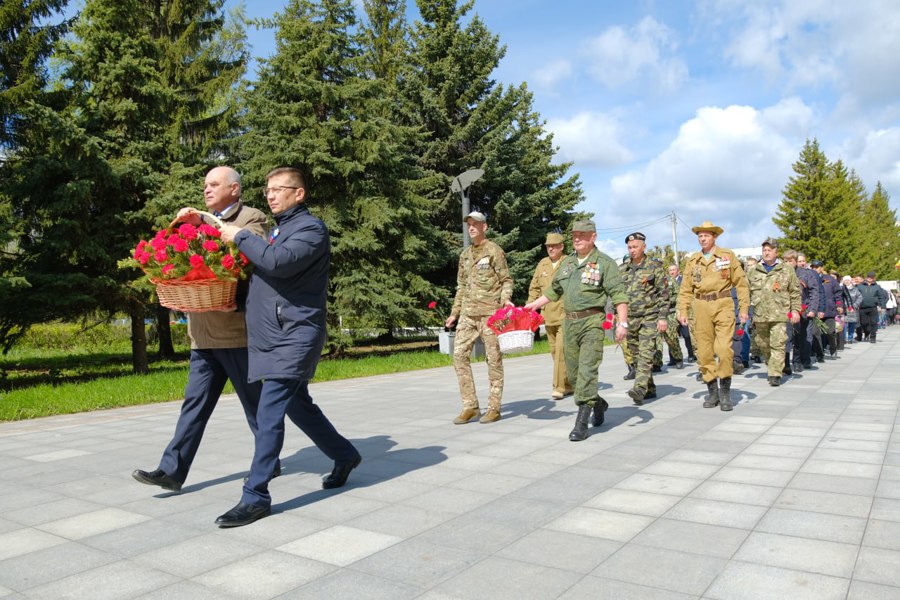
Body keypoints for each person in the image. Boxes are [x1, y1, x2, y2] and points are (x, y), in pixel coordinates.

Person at [216, 167, 361, 528]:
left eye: (280, 189)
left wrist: (240, 238)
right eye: (268, 189)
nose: (271, 195)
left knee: (268, 413)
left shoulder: (311, 229)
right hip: (272, 335)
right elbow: (269, 279)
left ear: (300, 194)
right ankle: (345, 455)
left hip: (296, 334)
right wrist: (235, 302)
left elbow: (277, 263)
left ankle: (256, 495)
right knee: (299, 407)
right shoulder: (281, 230)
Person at [132, 166, 271, 493]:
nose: (206, 190)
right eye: (205, 185)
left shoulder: (252, 218)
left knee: (256, 410)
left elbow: (256, 261)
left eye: (214, 184)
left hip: (236, 335)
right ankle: (170, 471)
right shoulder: (197, 221)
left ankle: (268, 460)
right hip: (203, 335)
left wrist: (205, 223)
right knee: (193, 407)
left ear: (234, 189)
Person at [525, 220, 628, 442]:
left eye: (582, 235)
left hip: (591, 322)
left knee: (587, 371)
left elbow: (619, 295)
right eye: (574, 235)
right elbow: (554, 290)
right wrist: (533, 305)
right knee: (572, 375)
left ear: (593, 237)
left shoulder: (604, 263)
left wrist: (622, 322)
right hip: (569, 323)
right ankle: (598, 403)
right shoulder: (569, 263)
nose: (577, 239)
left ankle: (582, 422)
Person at [445, 211, 514, 424]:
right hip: (468, 314)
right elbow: (461, 286)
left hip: (490, 314)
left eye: (476, 224)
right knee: (458, 356)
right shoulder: (464, 255)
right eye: (469, 224)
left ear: (485, 227)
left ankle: (494, 408)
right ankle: (470, 406)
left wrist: (505, 301)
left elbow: (506, 280)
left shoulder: (494, 250)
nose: (472, 227)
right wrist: (454, 313)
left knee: (493, 360)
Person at [677, 221, 749, 411]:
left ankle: (725, 392)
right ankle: (713, 392)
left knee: (724, 349)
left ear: (714, 237)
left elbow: (741, 283)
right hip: (700, 305)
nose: (703, 238)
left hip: (723, 303)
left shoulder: (727, 256)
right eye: (700, 235)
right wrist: (683, 310)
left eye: (706, 235)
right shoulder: (693, 260)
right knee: (704, 351)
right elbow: (685, 289)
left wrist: (743, 308)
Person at [617, 232, 668, 405]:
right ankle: (650, 388)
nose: (632, 250)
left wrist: (662, 318)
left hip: (650, 316)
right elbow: (617, 296)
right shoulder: (622, 269)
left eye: (635, 247)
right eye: (629, 248)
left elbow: (664, 295)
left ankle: (639, 388)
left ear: (644, 247)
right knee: (636, 355)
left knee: (647, 352)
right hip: (630, 319)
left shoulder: (654, 267)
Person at [746, 238, 800, 386]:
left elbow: (795, 291)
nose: (766, 252)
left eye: (770, 249)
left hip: (780, 314)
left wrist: (795, 310)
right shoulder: (753, 270)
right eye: (764, 250)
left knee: (778, 343)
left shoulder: (786, 269)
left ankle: (775, 374)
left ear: (776, 252)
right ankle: (772, 366)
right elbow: (745, 293)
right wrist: (745, 312)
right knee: (762, 343)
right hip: (760, 314)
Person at [527, 232, 573, 400]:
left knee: (561, 351)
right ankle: (569, 384)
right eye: (548, 246)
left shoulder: (569, 262)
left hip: (565, 315)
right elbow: (535, 288)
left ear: (561, 246)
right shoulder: (543, 264)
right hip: (548, 315)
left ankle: (559, 387)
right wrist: (531, 306)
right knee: (554, 352)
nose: (551, 249)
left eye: (554, 246)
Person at [783, 250, 820, 371]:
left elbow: (814, 292)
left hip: (802, 309)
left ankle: (798, 360)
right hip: (784, 310)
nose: (788, 263)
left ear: (795, 261)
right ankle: (786, 363)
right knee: (787, 337)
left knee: (800, 336)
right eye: (786, 261)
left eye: (791, 261)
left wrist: (813, 309)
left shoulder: (806, 274)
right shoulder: (779, 273)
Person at [668, 264, 696, 362]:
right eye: (670, 270)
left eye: (673, 270)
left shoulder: (683, 280)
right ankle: (673, 358)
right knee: (671, 335)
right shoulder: (666, 281)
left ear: (678, 271)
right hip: (671, 312)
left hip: (683, 310)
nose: (672, 272)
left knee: (686, 334)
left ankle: (691, 354)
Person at [857, 271, 888, 342]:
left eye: (871, 277)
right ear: (866, 277)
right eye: (869, 277)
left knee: (874, 322)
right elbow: (856, 296)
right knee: (864, 323)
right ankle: (867, 333)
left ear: (874, 278)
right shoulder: (860, 286)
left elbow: (881, 297)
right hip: (862, 307)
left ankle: (873, 337)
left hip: (873, 307)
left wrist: (883, 307)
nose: (870, 278)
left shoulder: (877, 287)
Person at [841, 275, 862, 344]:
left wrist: (855, 305)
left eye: (848, 280)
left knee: (851, 324)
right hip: (843, 309)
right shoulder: (841, 288)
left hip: (852, 309)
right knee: (843, 324)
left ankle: (850, 338)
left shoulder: (855, 289)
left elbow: (860, 298)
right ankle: (843, 338)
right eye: (845, 280)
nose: (846, 282)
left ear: (850, 281)